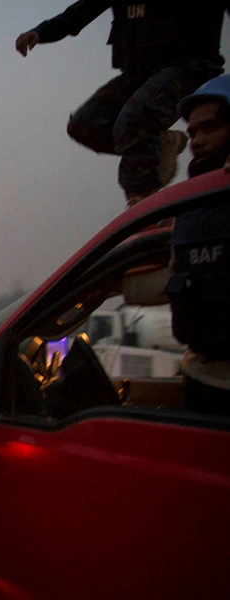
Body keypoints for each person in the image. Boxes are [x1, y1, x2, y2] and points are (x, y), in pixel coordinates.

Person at [16, 2, 230, 207]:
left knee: (136, 118)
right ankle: (161, 144)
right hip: (138, 75)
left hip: (190, 67)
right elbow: (76, 15)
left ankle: (144, 202)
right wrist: (40, 32)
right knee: (85, 124)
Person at [166, 75, 230, 416]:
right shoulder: (187, 210)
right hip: (202, 385)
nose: (197, 141)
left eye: (210, 128)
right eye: (192, 133)